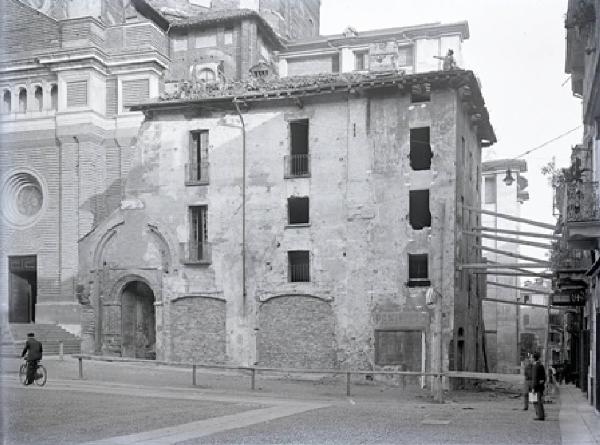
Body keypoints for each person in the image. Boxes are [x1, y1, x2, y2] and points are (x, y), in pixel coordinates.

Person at [531, 352, 546, 421]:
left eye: (531, 357)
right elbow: (544, 377)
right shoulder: (541, 365)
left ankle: (540, 416)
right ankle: (541, 415)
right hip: (541, 386)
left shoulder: (535, 366)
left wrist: (533, 388)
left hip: (536, 387)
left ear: (534, 358)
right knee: (539, 401)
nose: (530, 358)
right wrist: (542, 382)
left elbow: (534, 378)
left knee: (536, 401)